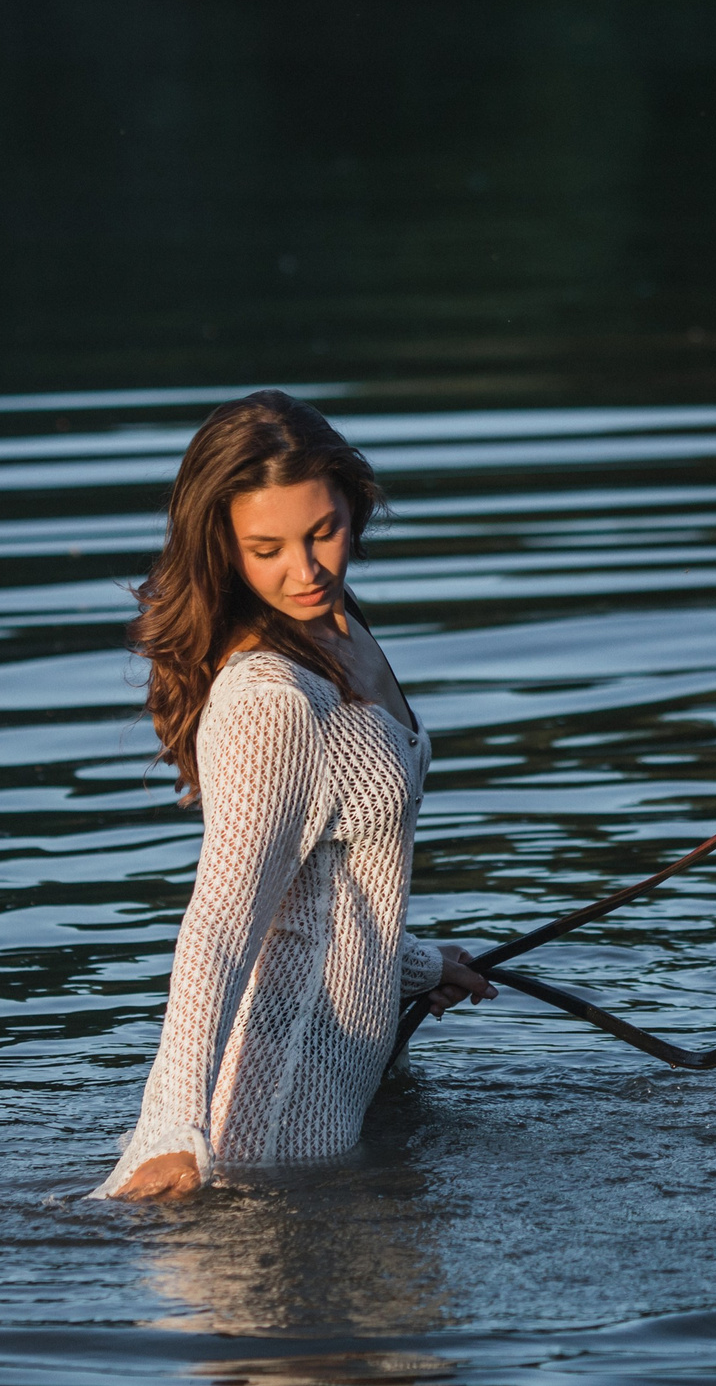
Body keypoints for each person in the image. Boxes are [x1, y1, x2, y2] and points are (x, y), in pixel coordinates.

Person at [92, 391, 495, 1201]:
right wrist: (173, 1131)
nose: (305, 570)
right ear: (222, 548)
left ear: (356, 502)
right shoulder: (269, 699)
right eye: (265, 548)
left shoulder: (338, 624)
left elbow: (321, 901)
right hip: (266, 1136)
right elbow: (220, 924)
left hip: (336, 1104)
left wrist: (417, 965)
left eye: (324, 532)